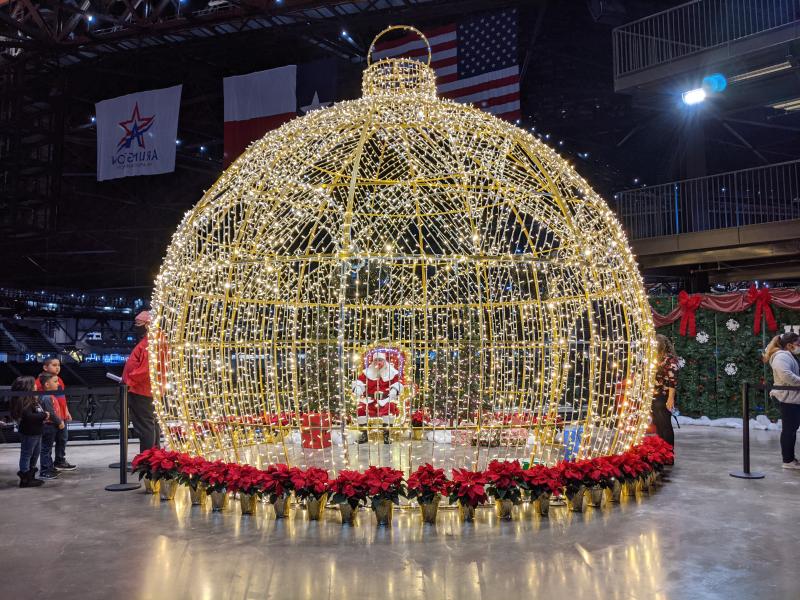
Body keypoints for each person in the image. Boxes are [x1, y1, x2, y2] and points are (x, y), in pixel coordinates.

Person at [122, 310, 161, 452]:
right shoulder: (155, 340)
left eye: (138, 323)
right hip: (150, 389)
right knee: (151, 424)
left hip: (141, 389)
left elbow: (146, 369)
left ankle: (148, 460)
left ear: (148, 325)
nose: (136, 326)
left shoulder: (149, 343)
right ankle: (154, 457)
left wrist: (129, 381)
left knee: (145, 426)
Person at [765, 332, 800, 469]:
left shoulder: (788, 355)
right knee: (789, 430)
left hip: (793, 399)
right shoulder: (781, 356)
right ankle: (788, 461)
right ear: (789, 345)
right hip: (788, 399)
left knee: (791, 430)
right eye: (798, 344)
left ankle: (790, 459)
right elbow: (787, 376)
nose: (799, 346)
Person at [34, 356, 76, 470]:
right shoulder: (39, 382)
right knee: (47, 443)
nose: (57, 367)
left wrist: (67, 411)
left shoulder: (59, 380)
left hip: (62, 416)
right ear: (45, 367)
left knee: (62, 439)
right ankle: (47, 466)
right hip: (50, 419)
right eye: (54, 365)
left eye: (59, 365)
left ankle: (60, 461)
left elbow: (62, 398)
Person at [352, 352, 402, 444]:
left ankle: (387, 435)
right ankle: (364, 435)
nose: (378, 362)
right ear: (373, 362)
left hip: (385, 399)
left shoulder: (392, 372)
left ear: (384, 361)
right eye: (376, 360)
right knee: (361, 408)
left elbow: (398, 383)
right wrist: (358, 388)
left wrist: (394, 390)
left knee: (390, 407)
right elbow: (359, 382)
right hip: (370, 400)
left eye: (380, 360)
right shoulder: (367, 372)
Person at [10, 376, 47, 487]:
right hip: (29, 433)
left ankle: (30, 475)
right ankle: (25, 478)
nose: (36, 385)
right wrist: (44, 415)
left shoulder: (33, 399)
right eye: (33, 383)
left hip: (37, 431)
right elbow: (29, 416)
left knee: (35, 454)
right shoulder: (24, 402)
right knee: (27, 454)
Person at [652, 334, 677, 449]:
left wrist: (670, 398)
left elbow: (673, 380)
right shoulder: (657, 358)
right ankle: (661, 451)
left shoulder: (670, 360)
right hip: (656, 395)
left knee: (665, 424)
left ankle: (668, 452)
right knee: (658, 424)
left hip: (665, 396)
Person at [38, 372, 65, 480]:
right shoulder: (46, 397)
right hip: (49, 426)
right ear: (47, 385)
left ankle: (49, 467)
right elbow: (51, 413)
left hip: (52, 426)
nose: (57, 383)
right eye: (55, 381)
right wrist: (59, 422)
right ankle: (45, 471)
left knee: (48, 448)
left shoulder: (51, 396)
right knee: (46, 449)